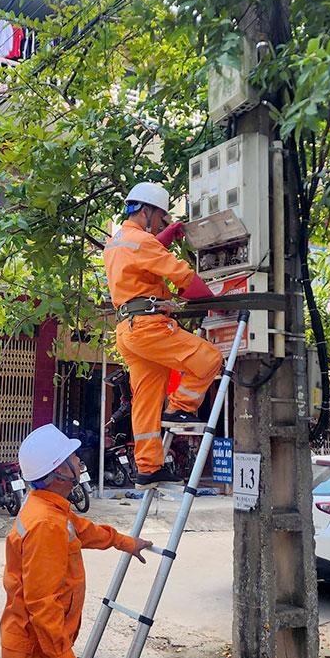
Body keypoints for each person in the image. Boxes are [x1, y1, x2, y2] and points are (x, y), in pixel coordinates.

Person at [0, 424, 153, 658]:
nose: (80, 463)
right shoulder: (46, 524)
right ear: (58, 471)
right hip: (36, 651)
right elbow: (42, 604)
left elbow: (86, 531)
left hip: (38, 645)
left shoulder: (52, 510)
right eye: (73, 458)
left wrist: (127, 543)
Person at [102, 182, 223, 487]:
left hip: (127, 331)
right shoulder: (142, 242)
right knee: (210, 358)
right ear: (146, 211)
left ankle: (148, 467)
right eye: (162, 219)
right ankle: (181, 409)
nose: (163, 223)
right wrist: (216, 304)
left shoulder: (117, 241)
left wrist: (166, 236)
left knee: (145, 399)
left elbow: (143, 257)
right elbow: (183, 277)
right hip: (149, 326)